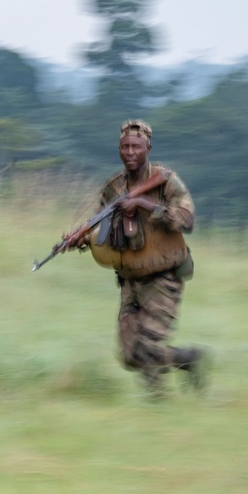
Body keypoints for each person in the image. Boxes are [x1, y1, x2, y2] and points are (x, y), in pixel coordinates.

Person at [63, 119, 209, 399]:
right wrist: (81, 240)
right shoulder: (113, 189)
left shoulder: (166, 181)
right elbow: (102, 231)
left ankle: (159, 399)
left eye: (136, 147)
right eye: (124, 147)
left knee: (148, 346)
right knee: (130, 356)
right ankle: (185, 361)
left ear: (148, 148)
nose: (130, 152)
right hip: (130, 281)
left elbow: (187, 220)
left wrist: (144, 205)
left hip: (164, 276)